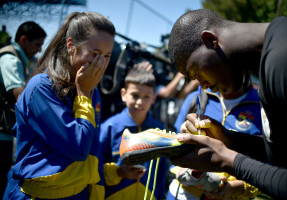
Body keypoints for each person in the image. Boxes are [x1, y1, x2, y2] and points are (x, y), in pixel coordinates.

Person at [167, 8, 287, 199]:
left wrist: (227, 160)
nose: (202, 85)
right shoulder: (270, 65)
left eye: (195, 73)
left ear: (210, 41)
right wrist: (230, 140)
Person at [3, 12, 116, 199]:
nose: (101, 64)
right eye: (95, 54)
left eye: (107, 56)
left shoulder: (90, 90)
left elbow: (92, 149)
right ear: (71, 45)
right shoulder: (41, 88)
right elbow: (78, 148)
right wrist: (84, 96)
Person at [167, 78, 266, 199]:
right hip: (182, 193)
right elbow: (172, 145)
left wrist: (238, 187)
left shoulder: (263, 107)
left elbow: (272, 169)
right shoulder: (196, 97)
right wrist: (182, 137)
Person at [100, 69, 168, 200]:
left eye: (146, 97)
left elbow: (161, 172)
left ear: (154, 97)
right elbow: (96, 168)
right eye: (135, 95)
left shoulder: (159, 130)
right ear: (123, 94)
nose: (139, 102)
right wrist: (118, 172)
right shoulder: (109, 127)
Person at [0, 21, 46, 198]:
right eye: (37, 45)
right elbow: (20, 95)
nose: (40, 50)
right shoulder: (10, 59)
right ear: (23, 40)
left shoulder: (19, 59)